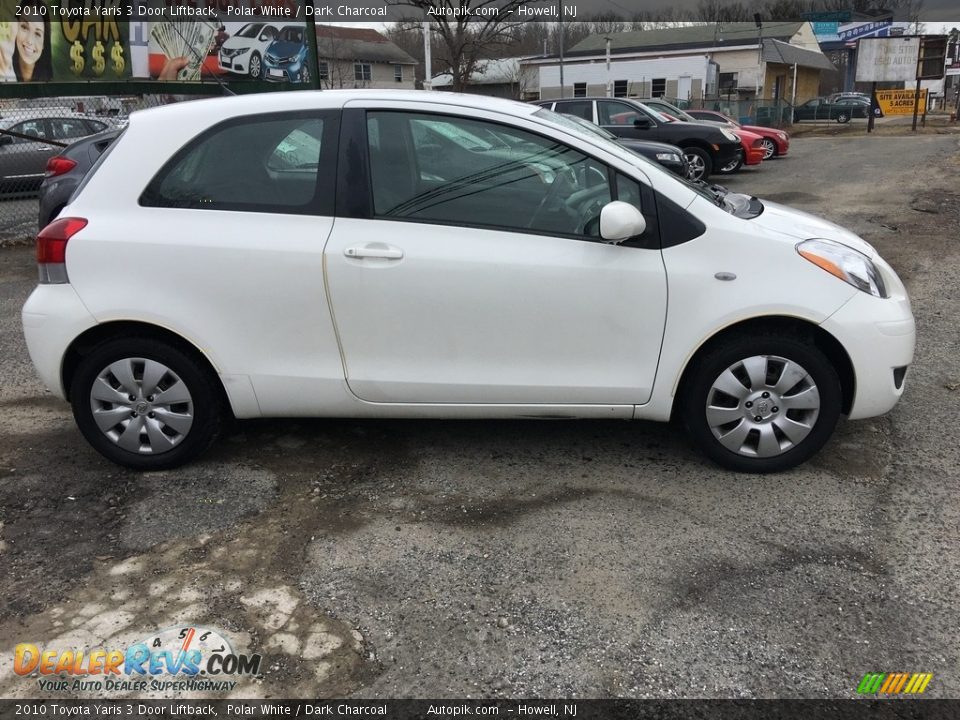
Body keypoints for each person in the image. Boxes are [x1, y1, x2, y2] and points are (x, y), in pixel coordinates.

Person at [0, 3, 52, 82]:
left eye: (37, 34)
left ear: (44, 43)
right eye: (24, 27)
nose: (30, 41)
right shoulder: (4, 63)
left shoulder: (52, 81)